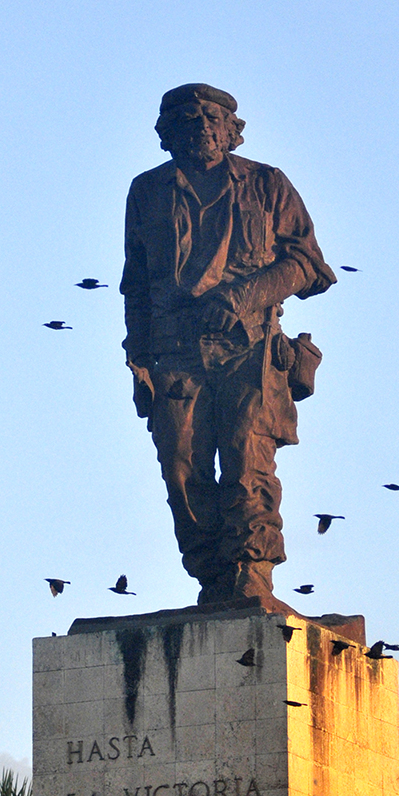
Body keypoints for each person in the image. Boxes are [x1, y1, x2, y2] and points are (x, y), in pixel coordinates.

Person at [120, 83, 336, 607]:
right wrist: (138, 362)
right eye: (189, 120)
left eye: (211, 119)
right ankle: (213, 577)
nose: (202, 128)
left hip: (249, 347)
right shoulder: (148, 191)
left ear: (230, 130)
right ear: (168, 134)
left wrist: (244, 296)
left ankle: (251, 575)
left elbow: (308, 263)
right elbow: (137, 284)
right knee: (180, 465)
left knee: (247, 457)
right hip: (173, 351)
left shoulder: (266, 185)